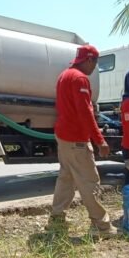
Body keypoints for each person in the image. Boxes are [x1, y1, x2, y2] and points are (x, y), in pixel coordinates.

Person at [48, 44, 118, 239]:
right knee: (89, 181)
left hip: (63, 135)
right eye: (95, 63)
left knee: (67, 177)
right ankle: (101, 225)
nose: (95, 68)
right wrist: (100, 140)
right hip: (75, 138)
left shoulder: (64, 75)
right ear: (88, 60)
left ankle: (56, 218)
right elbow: (85, 113)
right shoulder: (79, 78)